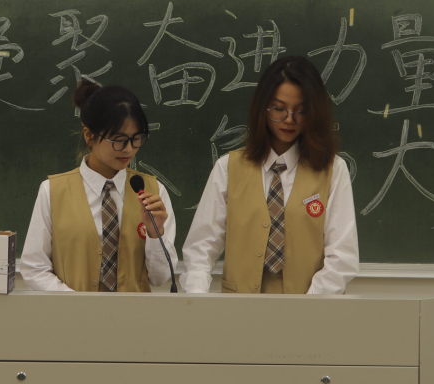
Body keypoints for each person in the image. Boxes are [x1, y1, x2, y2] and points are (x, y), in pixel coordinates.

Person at [181, 55, 358, 294]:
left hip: (310, 308)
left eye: (301, 111)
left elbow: (342, 257)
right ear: (262, 108)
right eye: (279, 109)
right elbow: (201, 248)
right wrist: (197, 300)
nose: (289, 120)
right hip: (239, 309)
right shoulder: (228, 168)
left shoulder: (333, 170)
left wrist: (308, 306)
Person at [20, 80, 178, 292]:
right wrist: (80, 304)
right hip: (71, 311)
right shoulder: (52, 191)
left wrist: (154, 233)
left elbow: (160, 278)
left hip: (135, 313)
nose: (129, 149)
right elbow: (34, 268)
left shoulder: (153, 191)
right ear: (89, 135)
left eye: (137, 139)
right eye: (119, 140)